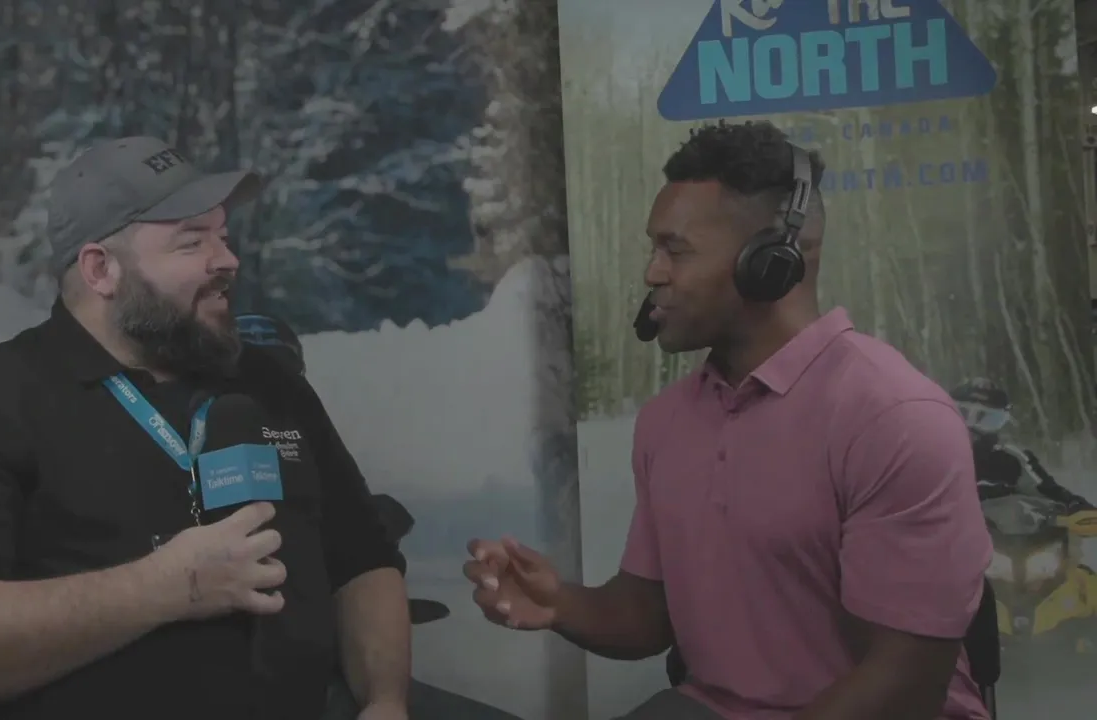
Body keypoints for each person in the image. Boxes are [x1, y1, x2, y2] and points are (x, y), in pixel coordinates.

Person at [0, 137, 411, 720]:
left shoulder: (268, 383)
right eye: (192, 241)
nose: (227, 260)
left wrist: (385, 700)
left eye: (222, 235)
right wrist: (165, 588)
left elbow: (362, 559)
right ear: (101, 269)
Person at [463, 121, 993, 720]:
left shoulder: (896, 419)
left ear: (774, 259)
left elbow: (904, 685)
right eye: (654, 249)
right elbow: (645, 616)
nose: (653, 273)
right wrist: (559, 603)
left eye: (676, 250)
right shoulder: (665, 423)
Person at [949, 376, 1094, 513]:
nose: (972, 427)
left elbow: (1052, 493)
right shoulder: (938, 458)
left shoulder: (1012, 461)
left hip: (1003, 528)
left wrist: (1076, 508)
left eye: (989, 420)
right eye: (964, 414)